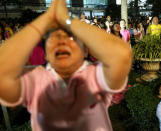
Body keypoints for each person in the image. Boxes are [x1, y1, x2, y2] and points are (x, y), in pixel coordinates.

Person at [0, 0, 132, 131]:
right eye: (55, 38)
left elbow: (122, 55)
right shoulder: (36, 79)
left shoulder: (95, 75)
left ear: (85, 51)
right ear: (46, 54)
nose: (62, 42)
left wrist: (68, 20)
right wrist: (45, 19)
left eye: (71, 38)